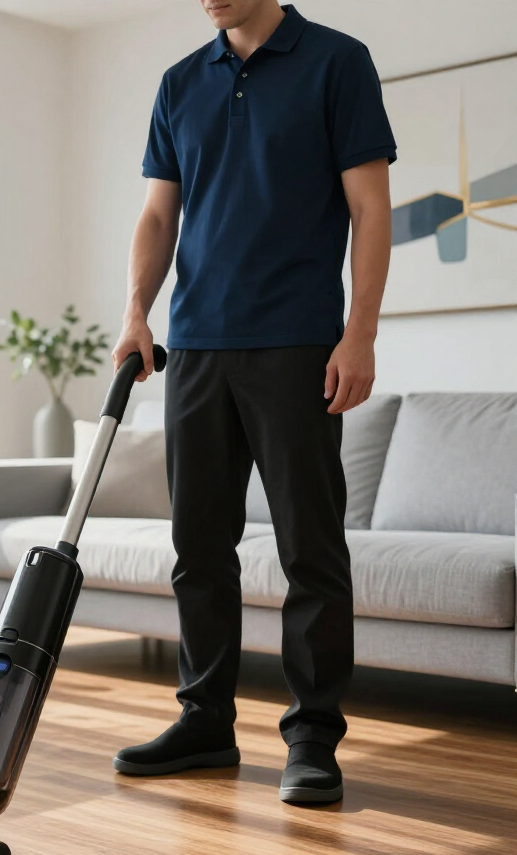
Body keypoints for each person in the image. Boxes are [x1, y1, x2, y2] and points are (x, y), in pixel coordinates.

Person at [110, 0, 396, 804]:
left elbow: (370, 208)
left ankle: (312, 737)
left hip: (298, 343)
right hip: (196, 344)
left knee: (310, 546)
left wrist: (360, 333)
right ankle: (204, 722)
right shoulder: (179, 83)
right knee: (198, 547)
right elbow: (159, 212)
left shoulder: (337, 62)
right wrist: (138, 311)